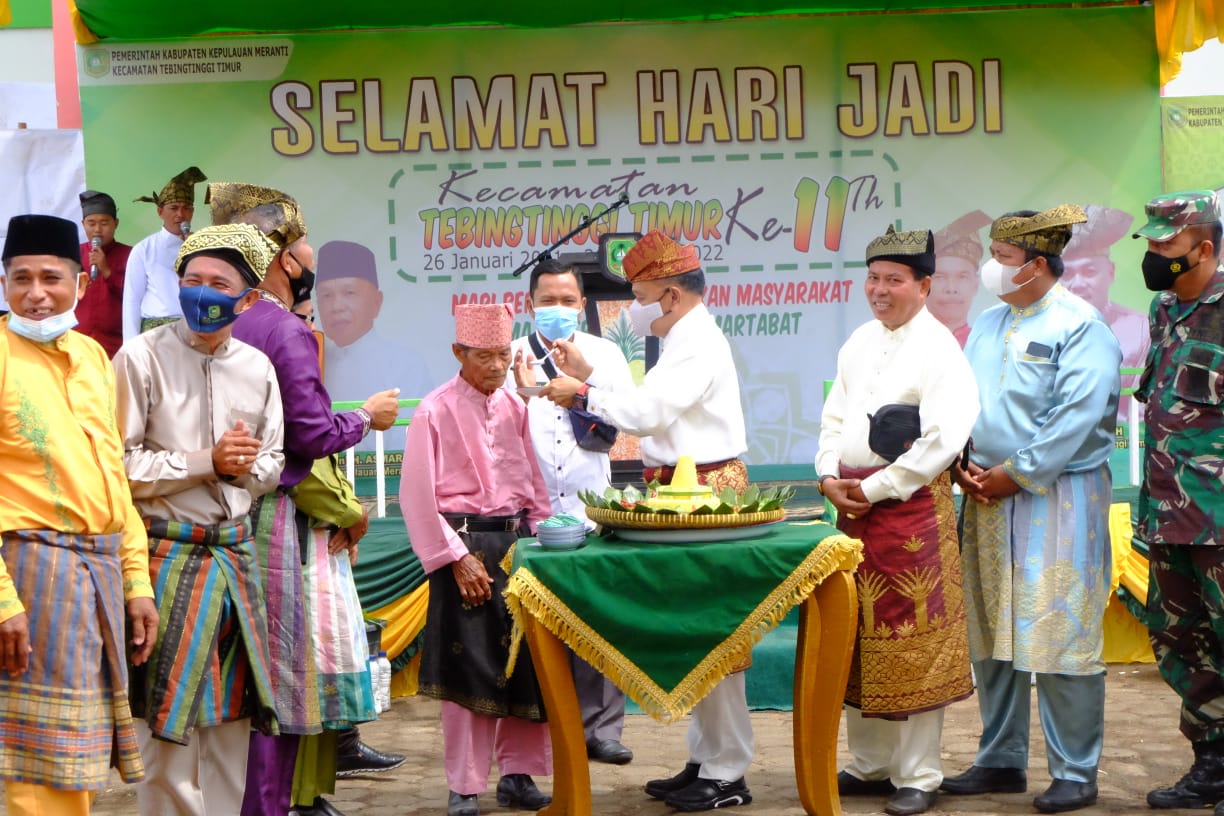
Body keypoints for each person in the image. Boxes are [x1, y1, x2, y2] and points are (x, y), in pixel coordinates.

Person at [542, 229, 753, 812]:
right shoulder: (684, 337)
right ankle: (705, 758)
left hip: (706, 493)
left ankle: (729, 772)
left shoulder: (697, 343)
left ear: (670, 296)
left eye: (637, 293)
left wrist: (580, 391)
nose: (629, 307)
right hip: (685, 491)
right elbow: (647, 404)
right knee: (698, 633)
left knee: (718, 634)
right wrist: (593, 379)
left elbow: (646, 412)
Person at [220, 183, 402, 816]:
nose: (312, 254)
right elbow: (312, 434)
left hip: (217, 517)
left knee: (236, 680)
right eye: (303, 242)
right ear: (279, 256)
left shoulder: (219, 323)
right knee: (280, 677)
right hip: (274, 522)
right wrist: (367, 421)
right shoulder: (282, 330)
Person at [943, 205, 1121, 814]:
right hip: (984, 494)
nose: (994, 268)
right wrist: (964, 463)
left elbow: (1076, 414)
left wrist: (1016, 473)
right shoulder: (990, 323)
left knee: (1059, 627)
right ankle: (1000, 759)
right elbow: (964, 399)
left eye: (1003, 258)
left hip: (1058, 494)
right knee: (992, 631)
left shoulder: (1082, 325)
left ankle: (1076, 769)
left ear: (1038, 265)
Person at [112, 223, 285, 815]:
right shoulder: (140, 358)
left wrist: (238, 471)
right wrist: (203, 462)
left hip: (235, 561)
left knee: (232, 724)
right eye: (192, 280)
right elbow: (119, 465)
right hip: (165, 559)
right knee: (165, 726)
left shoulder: (258, 368)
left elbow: (274, 462)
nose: (202, 293)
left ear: (248, 299)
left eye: (218, 283)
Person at [816, 226, 979, 816]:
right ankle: (871, 764)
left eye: (894, 280)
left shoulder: (941, 349)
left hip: (909, 513)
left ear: (924, 285)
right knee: (855, 634)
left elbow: (942, 441)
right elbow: (834, 416)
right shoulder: (857, 341)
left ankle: (920, 775)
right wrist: (827, 475)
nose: (879, 291)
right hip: (850, 508)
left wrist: (878, 487)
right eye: (873, 278)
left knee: (911, 640)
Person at [0, 214, 159, 815]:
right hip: (29, 571)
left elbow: (112, 478)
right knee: (39, 762)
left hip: (99, 574)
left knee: (80, 755)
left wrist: (136, 580)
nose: (35, 294)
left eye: (50, 278)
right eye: (20, 280)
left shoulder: (93, 356)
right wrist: (3, 601)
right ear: (4, 284)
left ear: (80, 279)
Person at [400, 302, 554, 816]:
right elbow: (417, 498)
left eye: (503, 355)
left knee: (526, 666)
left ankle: (518, 777)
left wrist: (541, 545)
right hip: (461, 549)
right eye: (484, 356)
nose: (496, 366)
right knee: (470, 674)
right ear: (458, 353)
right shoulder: (434, 410)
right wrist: (455, 557)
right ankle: (464, 786)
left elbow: (535, 488)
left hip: (517, 551)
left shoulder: (515, 407)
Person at [508, 257, 636, 765]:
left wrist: (585, 391)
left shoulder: (605, 354)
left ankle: (602, 729)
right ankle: (544, 728)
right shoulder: (510, 355)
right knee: (534, 623)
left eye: (567, 301)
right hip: (529, 514)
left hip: (590, 509)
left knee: (598, 618)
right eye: (547, 301)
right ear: (529, 304)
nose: (557, 309)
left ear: (582, 305)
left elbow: (624, 424)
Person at [1128, 191, 1224, 813]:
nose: (1157, 255)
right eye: (1153, 243)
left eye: (1169, 245)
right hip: (1168, 513)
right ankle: (1212, 762)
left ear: (1205, 249)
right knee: (1179, 639)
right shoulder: (1165, 309)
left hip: (1219, 518)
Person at [316, 240, 432, 450]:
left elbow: (412, 440)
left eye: (349, 293)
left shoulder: (406, 365)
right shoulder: (313, 362)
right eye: (326, 296)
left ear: (376, 302)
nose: (337, 306)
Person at [1061, 204, 1149, 419]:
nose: (1077, 284)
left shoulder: (1141, 330)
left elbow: (1140, 413)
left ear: (1110, 272)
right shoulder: (1038, 330)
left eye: (1089, 271)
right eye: (1067, 274)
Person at [123, 166, 206, 341]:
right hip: (156, 336)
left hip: (196, 332)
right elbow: (131, 301)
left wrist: (197, 249)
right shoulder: (143, 250)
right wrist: (130, 347)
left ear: (192, 212)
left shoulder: (205, 248)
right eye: (174, 208)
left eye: (186, 208)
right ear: (160, 211)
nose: (180, 214)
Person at [77, 189, 131, 356]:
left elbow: (135, 297)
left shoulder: (130, 255)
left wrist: (107, 271)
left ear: (116, 223)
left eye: (104, 223)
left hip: (116, 345)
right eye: (91, 223)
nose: (98, 230)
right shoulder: (73, 254)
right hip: (79, 343)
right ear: (83, 224)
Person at [929, 211, 991, 348]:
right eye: (939, 277)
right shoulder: (904, 343)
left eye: (962, 277)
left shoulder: (989, 346)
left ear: (975, 284)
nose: (951, 288)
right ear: (923, 285)